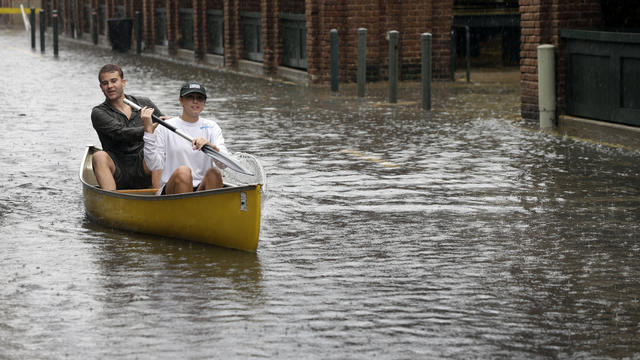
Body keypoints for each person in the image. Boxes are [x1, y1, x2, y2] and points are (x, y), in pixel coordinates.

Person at [141, 81, 228, 195]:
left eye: (200, 98)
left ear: (204, 102)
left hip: (200, 189)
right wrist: (148, 132)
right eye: (190, 97)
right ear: (181, 101)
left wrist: (212, 148)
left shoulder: (212, 127)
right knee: (184, 172)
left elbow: (224, 164)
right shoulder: (166, 127)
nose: (195, 101)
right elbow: (154, 165)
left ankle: (209, 209)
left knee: (214, 173)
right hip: (171, 190)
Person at [91, 64, 165, 190]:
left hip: (143, 163)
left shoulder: (144, 103)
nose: (110, 86)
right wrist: (148, 129)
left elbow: (164, 125)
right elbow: (121, 133)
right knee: (98, 156)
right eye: (105, 83)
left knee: (160, 145)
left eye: (114, 81)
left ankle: (158, 196)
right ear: (101, 87)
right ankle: (112, 200)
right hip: (117, 167)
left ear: (123, 82)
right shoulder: (98, 112)